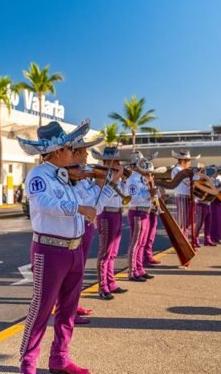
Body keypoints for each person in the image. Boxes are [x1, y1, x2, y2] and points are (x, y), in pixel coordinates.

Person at [16, 120, 95, 374]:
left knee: (68, 309)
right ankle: (28, 362)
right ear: (58, 151)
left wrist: (93, 185)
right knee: (41, 309)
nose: (74, 153)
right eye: (70, 149)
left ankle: (60, 358)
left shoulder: (66, 177)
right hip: (49, 251)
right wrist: (79, 208)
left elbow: (92, 205)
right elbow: (45, 204)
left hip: (74, 250)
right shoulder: (37, 175)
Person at [66, 135, 121, 324]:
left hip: (86, 224)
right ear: (75, 153)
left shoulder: (83, 175)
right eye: (84, 151)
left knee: (79, 269)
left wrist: (101, 184)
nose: (87, 155)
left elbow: (94, 203)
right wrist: (102, 184)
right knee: (72, 271)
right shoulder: (72, 176)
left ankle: (74, 304)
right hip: (78, 224)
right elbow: (90, 203)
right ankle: (67, 309)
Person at [91, 147, 130, 301]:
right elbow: (105, 194)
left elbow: (124, 195)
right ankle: (102, 286)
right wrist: (115, 178)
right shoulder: (101, 176)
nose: (117, 164)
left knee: (113, 252)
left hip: (117, 212)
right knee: (105, 252)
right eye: (114, 161)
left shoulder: (116, 176)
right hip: (106, 213)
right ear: (106, 162)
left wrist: (123, 180)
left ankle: (111, 282)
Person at [125, 152, 157, 282]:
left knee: (142, 243)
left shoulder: (141, 178)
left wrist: (154, 194)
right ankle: (132, 271)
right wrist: (149, 193)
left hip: (144, 211)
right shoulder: (133, 179)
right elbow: (133, 200)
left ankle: (139, 268)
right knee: (136, 243)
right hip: (137, 211)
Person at [170, 150, 200, 237]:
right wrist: (199, 176)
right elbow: (187, 180)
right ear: (183, 161)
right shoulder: (176, 170)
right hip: (182, 197)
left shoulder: (183, 170)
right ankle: (182, 239)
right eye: (188, 161)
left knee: (187, 221)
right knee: (182, 221)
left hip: (187, 197)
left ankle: (185, 238)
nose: (189, 163)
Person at [210, 171, 221, 243]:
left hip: (220, 201)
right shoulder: (209, 179)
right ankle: (214, 237)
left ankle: (220, 235)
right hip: (213, 202)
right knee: (215, 220)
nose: (216, 173)